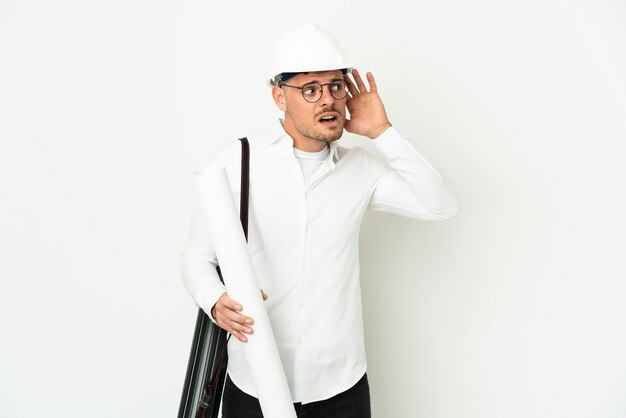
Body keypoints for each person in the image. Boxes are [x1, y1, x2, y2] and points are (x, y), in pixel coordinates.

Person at [180, 22, 459, 418]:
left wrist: (382, 132)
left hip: (340, 389)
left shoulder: (361, 169)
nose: (326, 100)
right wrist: (214, 300)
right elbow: (195, 257)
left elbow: (441, 204)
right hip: (253, 383)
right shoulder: (236, 161)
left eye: (335, 86)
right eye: (310, 89)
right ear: (280, 96)